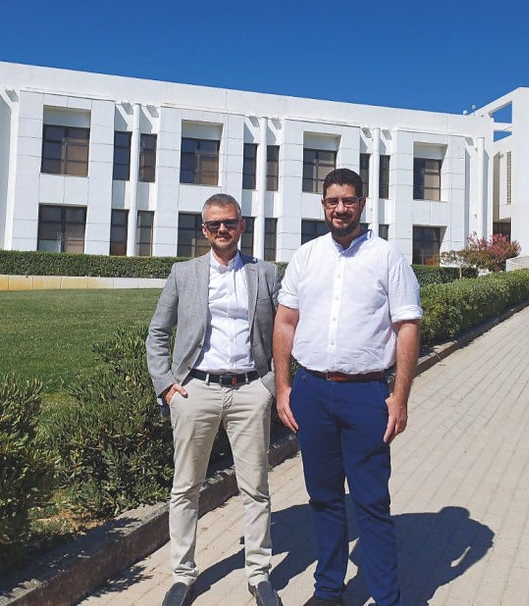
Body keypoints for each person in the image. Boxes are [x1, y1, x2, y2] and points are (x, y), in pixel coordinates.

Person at [274, 168, 422, 606]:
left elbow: (407, 326)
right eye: (332, 201)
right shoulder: (306, 256)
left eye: (349, 201)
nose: (341, 208)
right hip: (311, 392)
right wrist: (283, 388)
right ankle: (329, 591)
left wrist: (400, 395)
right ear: (323, 205)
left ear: (362, 203)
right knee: (323, 499)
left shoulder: (387, 258)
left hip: (364, 395)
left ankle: (386, 596)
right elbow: (285, 322)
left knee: (372, 502)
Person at [146, 194, 281, 606]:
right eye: (214, 224)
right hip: (195, 391)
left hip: (249, 391)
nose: (222, 230)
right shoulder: (183, 273)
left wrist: (270, 385)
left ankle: (259, 575)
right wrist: (167, 385)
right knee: (185, 487)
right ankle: (182, 576)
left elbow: (284, 333)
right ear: (204, 231)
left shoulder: (266, 274)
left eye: (230, 222)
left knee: (255, 487)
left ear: (242, 226)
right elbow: (157, 333)